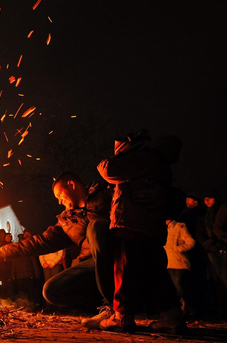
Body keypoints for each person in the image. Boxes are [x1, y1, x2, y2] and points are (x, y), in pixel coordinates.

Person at [0, 172, 115, 328]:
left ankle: (115, 307)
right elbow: (40, 242)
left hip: (120, 256)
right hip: (92, 264)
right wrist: (1, 252)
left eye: (59, 195)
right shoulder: (68, 223)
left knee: (96, 227)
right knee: (51, 290)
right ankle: (100, 307)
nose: (60, 202)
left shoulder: (107, 195)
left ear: (71, 185)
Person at [97, 130, 184, 333]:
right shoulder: (156, 162)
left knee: (123, 271)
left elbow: (108, 170)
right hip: (151, 228)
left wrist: (113, 159)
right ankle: (172, 316)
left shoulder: (140, 158)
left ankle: (121, 316)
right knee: (155, 273)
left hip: (130, 224)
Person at [198, 190, 227, 313]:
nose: (207, 201)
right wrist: (208, 244)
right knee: (216, 278)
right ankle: (220, 306)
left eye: (210, 198)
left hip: (221, 246)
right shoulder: (204, 215)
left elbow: (218, 229)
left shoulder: (221, 210)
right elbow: (201, 231)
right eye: (205, 199)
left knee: (223, 276)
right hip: (211, 248)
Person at [164, 219, 196, 314]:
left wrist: (178, 249)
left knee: (179, 285)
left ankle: (185, 308)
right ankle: (177, 309)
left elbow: (191, 242)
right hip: (168, 262)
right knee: (173, 286)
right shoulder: (162, 228)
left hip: (179, 261)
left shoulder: (179, 227)